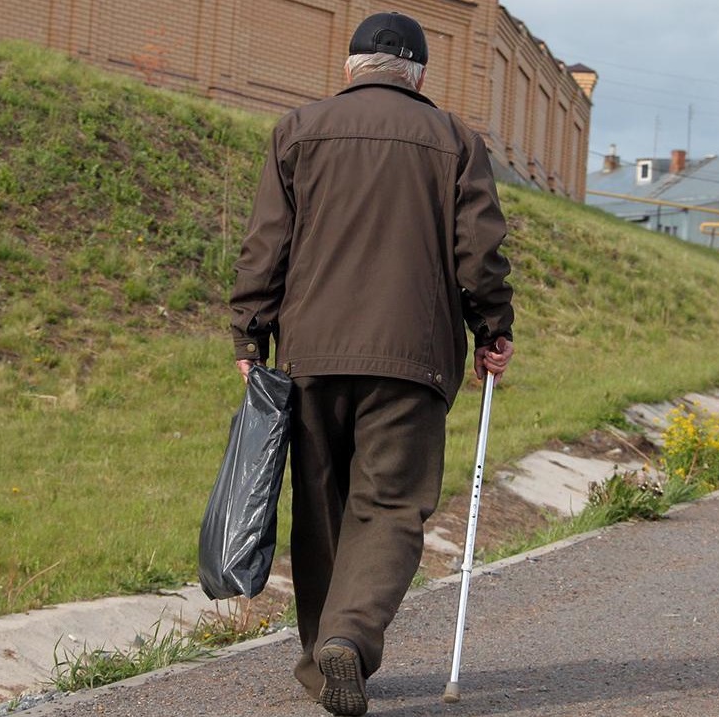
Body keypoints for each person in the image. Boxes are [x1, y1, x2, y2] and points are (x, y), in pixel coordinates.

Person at [228, 11, 514, 716]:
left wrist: (249, 335)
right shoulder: (455, 140)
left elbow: (267, 243)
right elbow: (477, 251)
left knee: (319, 508)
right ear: (418, 75)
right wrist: (492, 328)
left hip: (311, 353)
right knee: (388, 506)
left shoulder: (297, 129)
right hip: (411, 357)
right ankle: (349, 641)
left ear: (350, 67)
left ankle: (323, 658)